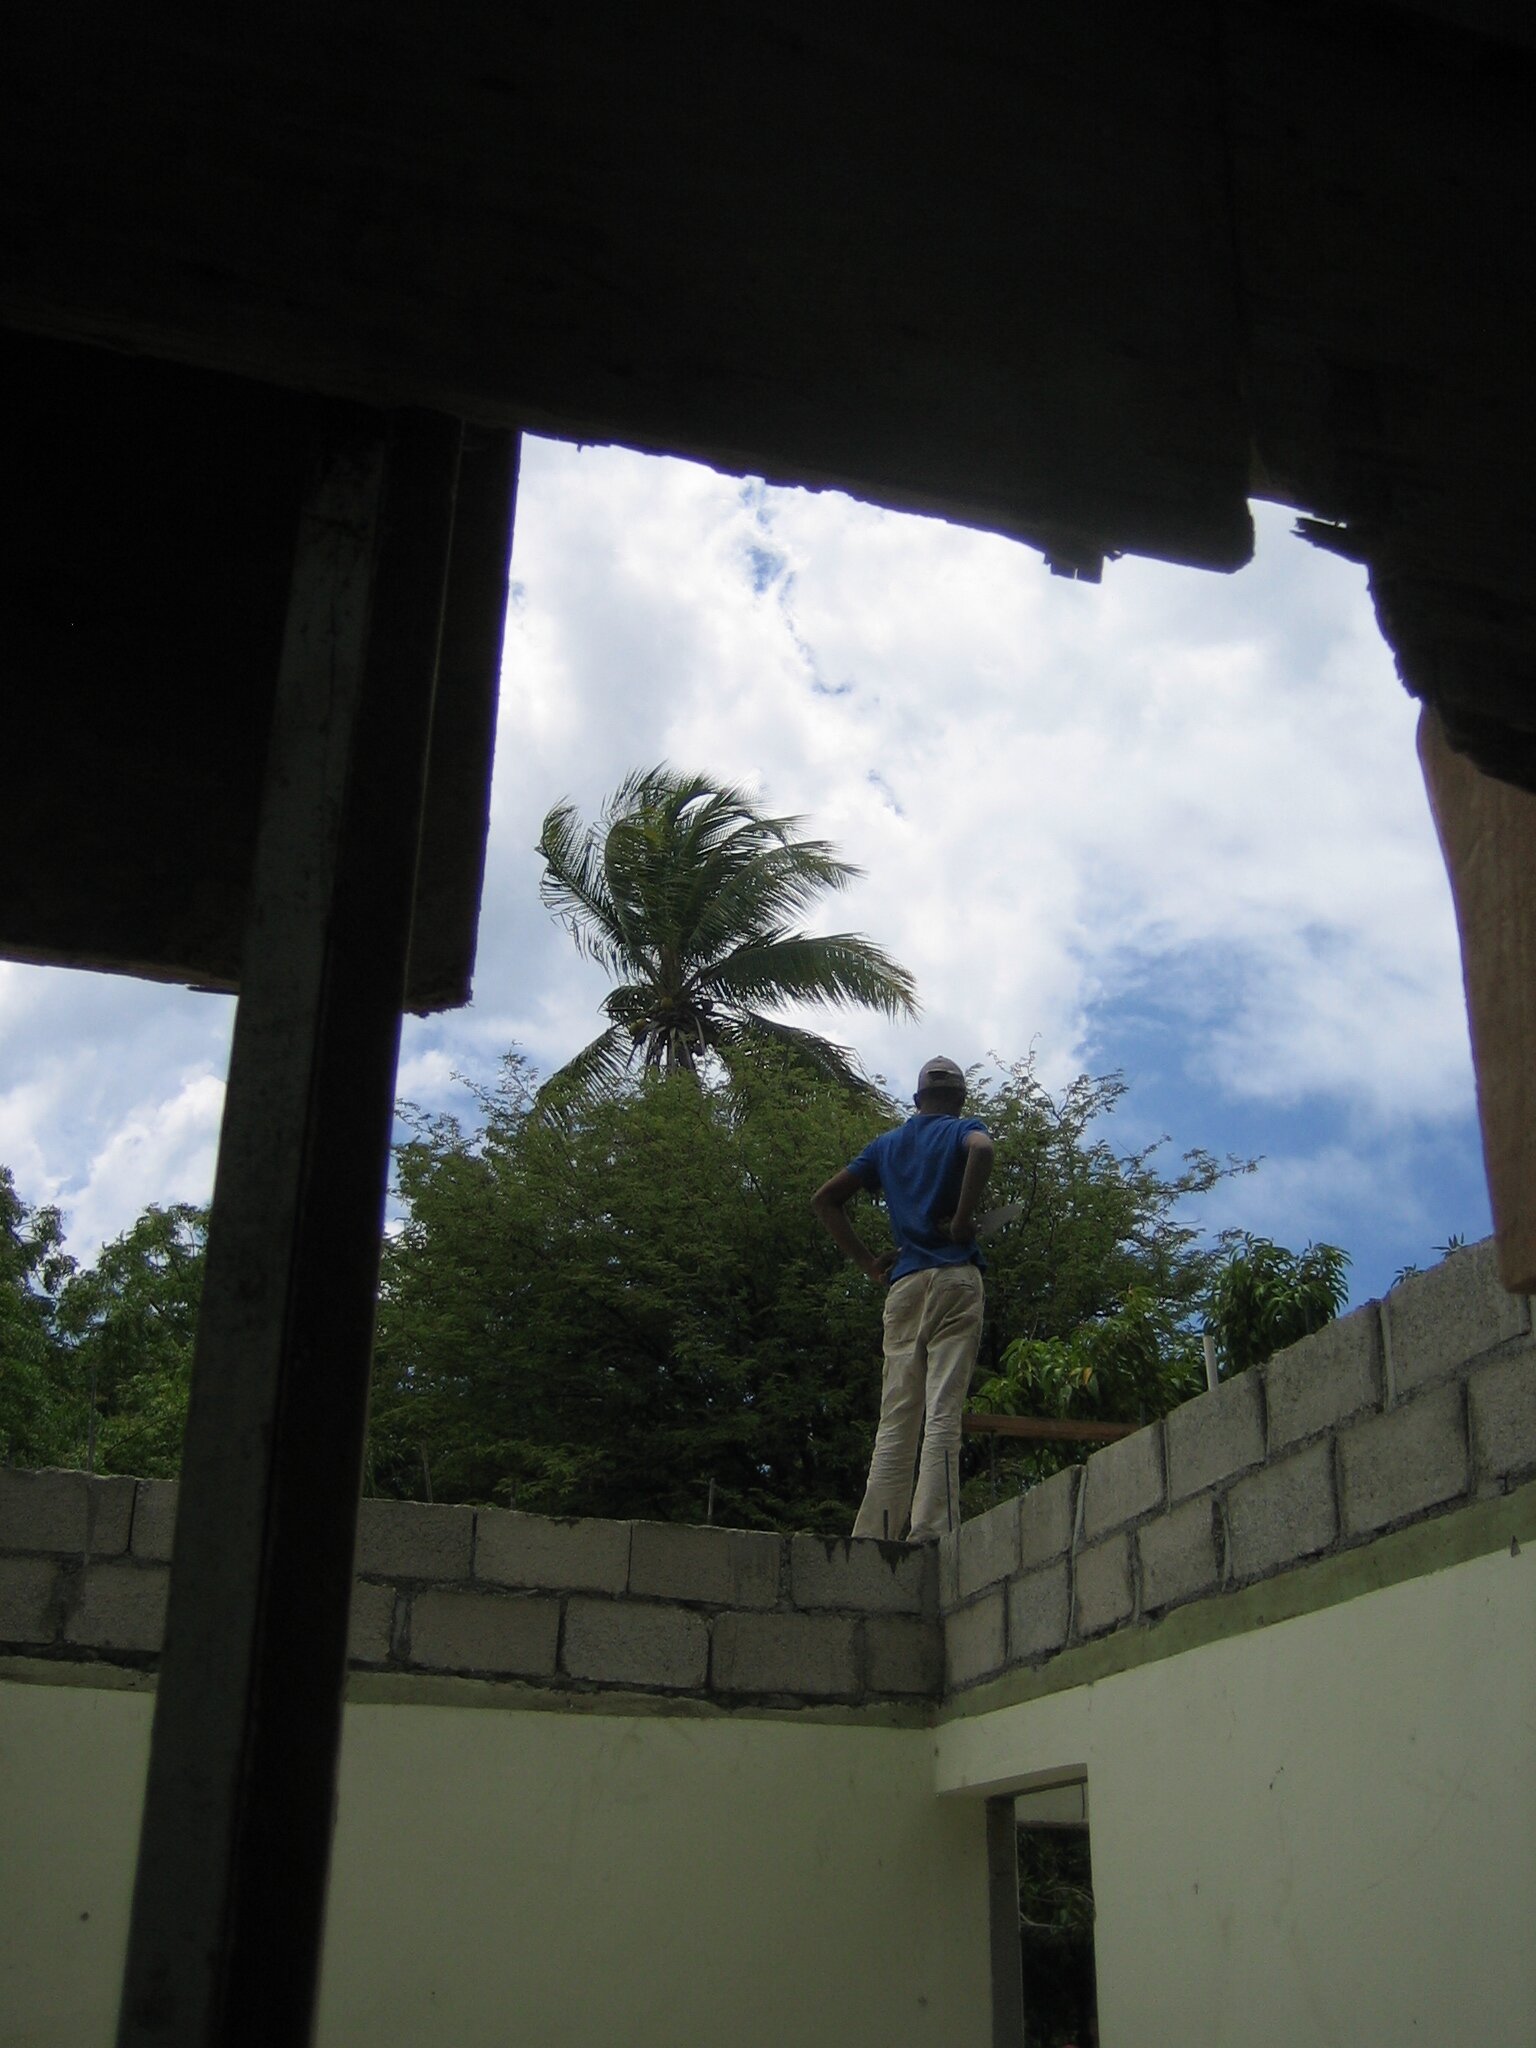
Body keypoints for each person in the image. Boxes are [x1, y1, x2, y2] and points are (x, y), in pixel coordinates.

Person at [811, 1055, 994, 1542]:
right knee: (943, 1409)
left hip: (906, 1286)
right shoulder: (963, 1129)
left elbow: (824, 1200)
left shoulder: (886, 1145)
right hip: (955, 1279)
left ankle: (876, 1535)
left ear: (917, 1100)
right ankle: (931, 1531)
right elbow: (982, 1149)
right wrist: (962, 1220)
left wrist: (869, 1263)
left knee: (897, 1414)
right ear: (960, 1099)